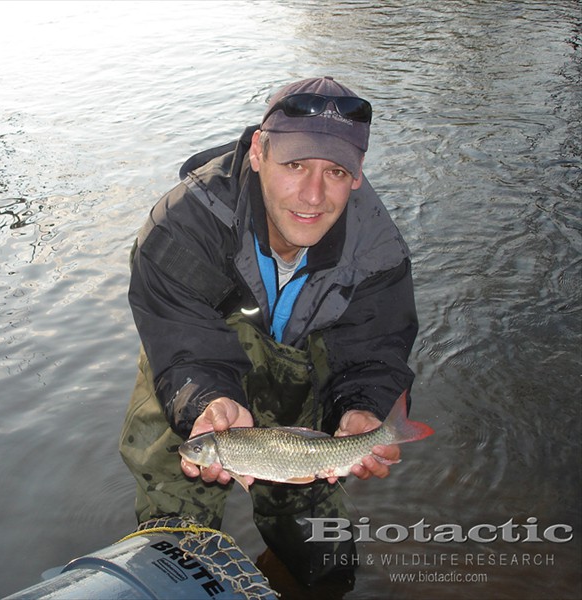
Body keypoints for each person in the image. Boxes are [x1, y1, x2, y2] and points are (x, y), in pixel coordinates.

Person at [119, 76, 418, 589]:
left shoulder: (378, 252)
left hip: (307, 389)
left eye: (335, 171)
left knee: (324, 561)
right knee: (173, 557)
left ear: (358, 176)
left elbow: (375, 348)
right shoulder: (183, 227)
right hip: (191, 376)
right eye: (295, 165)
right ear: (258, 151)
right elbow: (181, 336)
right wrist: (205, 400)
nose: (312, 194)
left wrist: (362, 408)